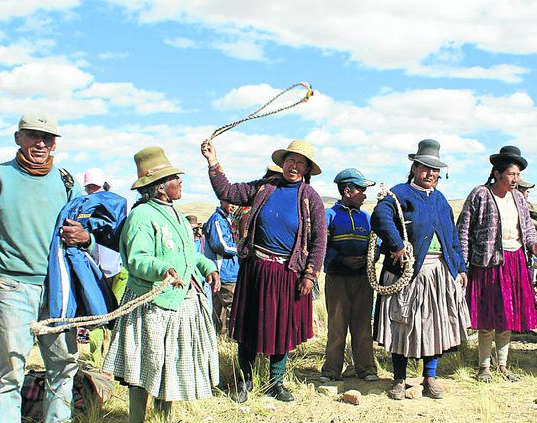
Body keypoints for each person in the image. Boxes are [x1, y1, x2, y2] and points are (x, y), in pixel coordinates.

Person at [0, 113, 91, 423]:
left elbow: (86, 229)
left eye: (48, 138)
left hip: (58, 286)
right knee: (9, 367)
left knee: (63, 361)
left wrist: (84, 237)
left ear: (56, 142)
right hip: (13, 285)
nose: (41, 143)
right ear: (18, 137)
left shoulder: (67, 181)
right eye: (33, 136)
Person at [103, 147, 221, 423]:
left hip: (181, 303)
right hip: (152, 304)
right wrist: (161, 269)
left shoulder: (178, 217)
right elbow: (136, 258)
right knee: (147, 365)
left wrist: (207, 267)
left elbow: (190, 254)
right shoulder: (141, 217)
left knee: (172, 365)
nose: (180, 182)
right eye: (173, 178)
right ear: (159, 185)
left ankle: (165, 421)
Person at [201, 139, 326, 403]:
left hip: (287, 273)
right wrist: (213, 161)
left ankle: (275, 382)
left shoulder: (310, 198)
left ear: (306, 169)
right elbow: (227, 191)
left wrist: (310, 274)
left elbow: (319, 240)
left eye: (300, 163)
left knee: (281, 329)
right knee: (248, 326)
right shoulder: (264, 188)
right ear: (283, 163)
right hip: (256, 268)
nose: (294, 166)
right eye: (291, 160)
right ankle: (244, 380)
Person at [371, 139, 469, 400]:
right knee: (402, 325)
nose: (430, 174)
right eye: (425, 168)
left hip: (438, 272)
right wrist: (396, 245)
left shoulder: (440, 200)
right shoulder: (398, 194)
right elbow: (380, 217)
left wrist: (459, 267)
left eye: (435, 170)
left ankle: (430, 377)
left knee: (434, 326)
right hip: (406, 272)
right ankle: (400, 380)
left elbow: (452, 237)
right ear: (414, 167)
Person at [457, 146, 537, 382]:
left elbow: (526, 229)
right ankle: (484, 366)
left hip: (515, 261)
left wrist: (534, 244)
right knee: (488, 317)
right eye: (511, 174)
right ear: (497, 173)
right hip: (487, 263)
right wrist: (461, 265)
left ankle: (503, 366)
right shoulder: (480, 194)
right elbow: (464, 230)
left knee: (508, 316)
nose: (516, 179)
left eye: (517, 175)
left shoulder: (518, 198)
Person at [320, 168, 379, 383]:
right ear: (347, 191)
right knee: (337, 325)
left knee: (363, 324)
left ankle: (366, 369)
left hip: (363, 279)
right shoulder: (329, 216)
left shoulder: (367, 217)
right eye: (361, 190)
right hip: (337, 278)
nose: (364, 195)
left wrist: (370, 257)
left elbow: (377, 243)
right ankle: (331, 370)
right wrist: (341, 260)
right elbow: (322, 246)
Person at [82, 168, 129, 361]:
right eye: (89, 187)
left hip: (118, 271)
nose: (93, 190)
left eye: (95, 186)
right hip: (96, 271)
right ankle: (96, 360)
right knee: (96, 317)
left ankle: (115, 359)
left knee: (117, 317)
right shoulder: (84, 207)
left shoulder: (117, 204)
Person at [204, 200, 239, 335]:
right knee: (232, 305)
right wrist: (240, 248)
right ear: (221, 201)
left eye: (234, 202)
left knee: (219, 308)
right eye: (229, 202)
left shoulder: (227, 219)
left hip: (226, 270)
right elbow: (220, 245)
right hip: (224, 272)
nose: (233, 205)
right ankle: (233, 337)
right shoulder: (217, 219)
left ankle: (220, 336)